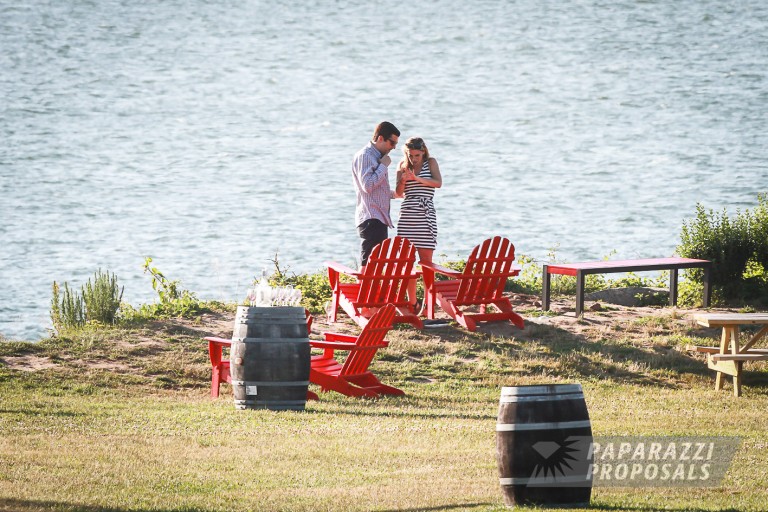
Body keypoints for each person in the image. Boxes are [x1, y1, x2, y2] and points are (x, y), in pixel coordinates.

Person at [395, 136, 442, 311]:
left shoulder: (431, 163)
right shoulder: (402, 166)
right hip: (407, 214)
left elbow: (438, 183)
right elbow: (399, 193)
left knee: (427, 262)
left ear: (423, 152)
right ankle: (412, 302)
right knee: (406, 261)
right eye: (410, 155)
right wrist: (404, 180)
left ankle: (429, 304)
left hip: (425, 212)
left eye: (416, 155)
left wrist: (417, 178)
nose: (413, 159)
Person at [352, 121, 401, 268]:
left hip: (377, 218)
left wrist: (394, 194)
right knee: (369, 263)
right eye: (392, 143)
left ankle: (373, 290)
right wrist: (383, 166)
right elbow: (367, 186)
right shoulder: (366, 155)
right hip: (371, 217)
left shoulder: (375, 156)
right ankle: (365, 290)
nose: (394, 147)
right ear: (380, 138)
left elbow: (375, 190)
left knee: (377, 264)